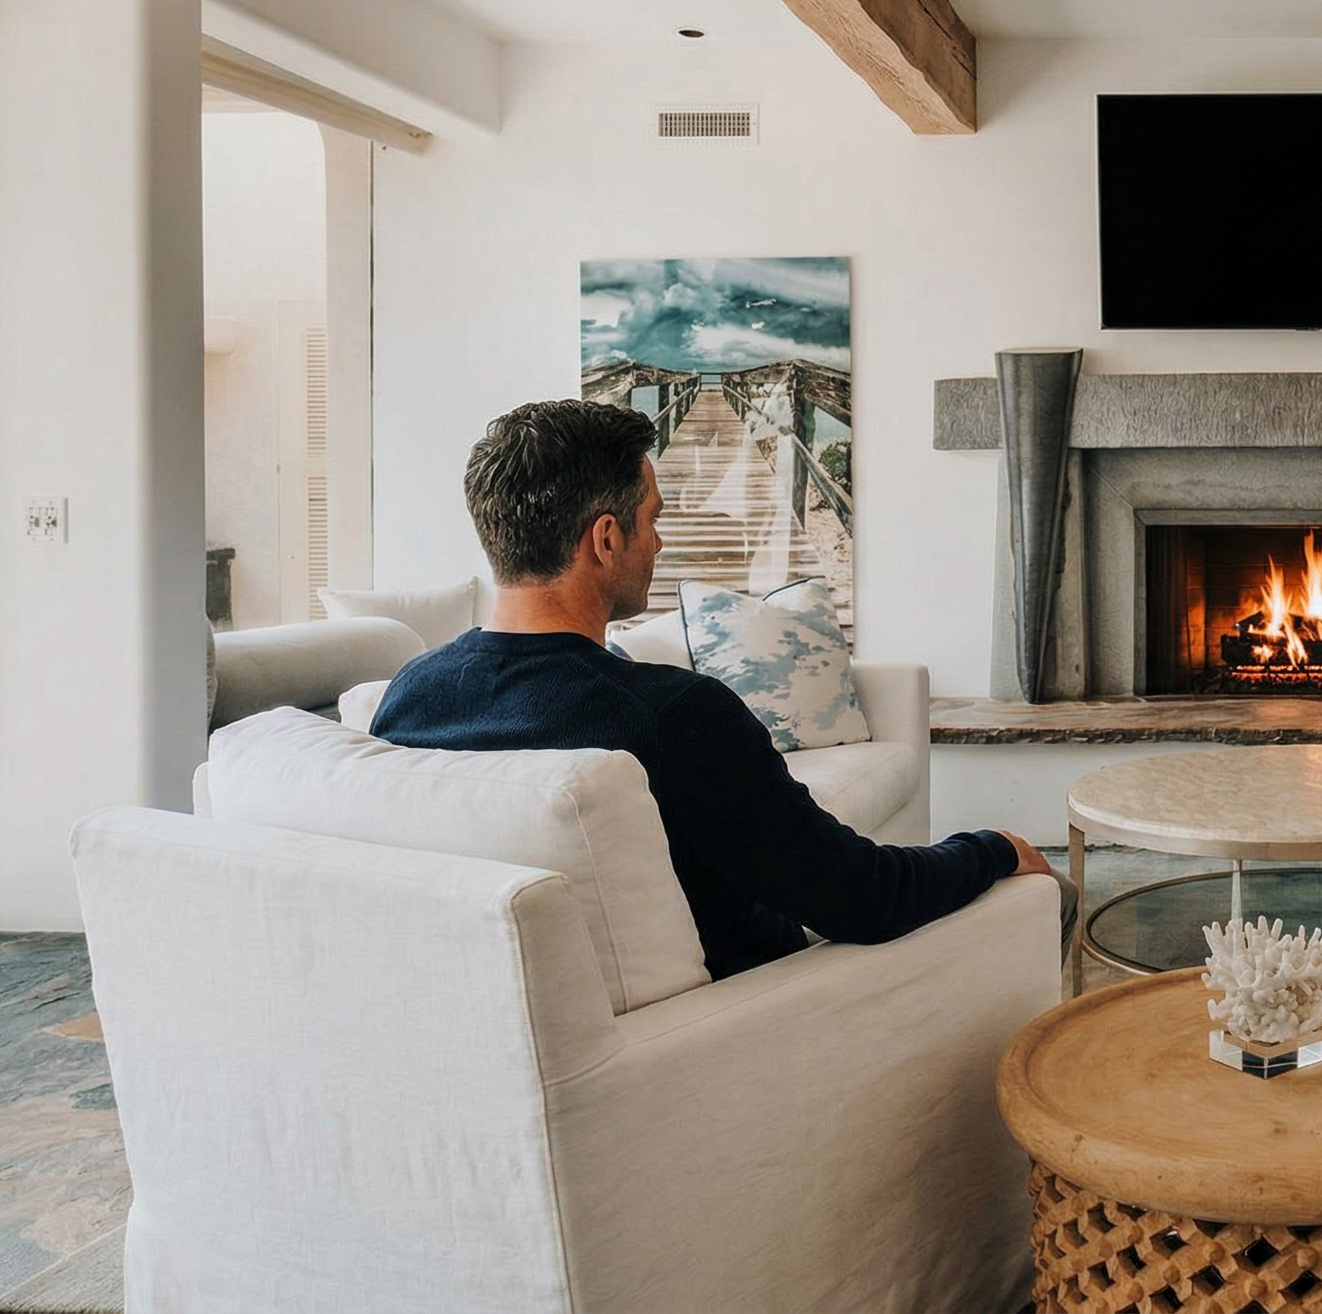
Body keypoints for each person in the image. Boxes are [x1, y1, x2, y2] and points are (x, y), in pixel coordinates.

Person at [372, 399, 1056, 979]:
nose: (660, 543)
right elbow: (863, 898)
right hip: (755, 1019)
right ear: (605, 539)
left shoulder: (410, 697)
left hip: (518, 1021)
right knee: (1049, 890)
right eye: (654, 519)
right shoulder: (674, 716)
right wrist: (992, 847)